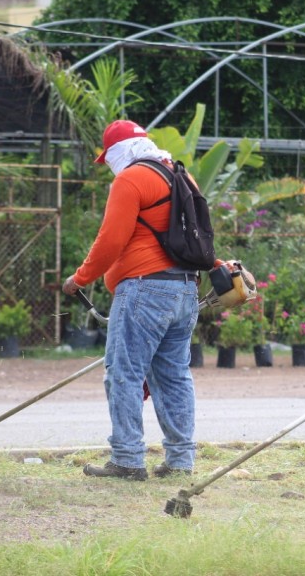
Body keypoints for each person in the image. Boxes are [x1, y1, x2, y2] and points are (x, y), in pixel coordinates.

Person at [63, 119, 209, 481]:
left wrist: (79, 278)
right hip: (186, 289)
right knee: (174, 375)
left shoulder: (131, 178)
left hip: (145, 290)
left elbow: (110, 241)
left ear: (119, 151)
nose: (109, 164)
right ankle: (179, 462)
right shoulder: (181, 175)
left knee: (124, 373)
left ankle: (127, 459)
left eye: (108, 156)